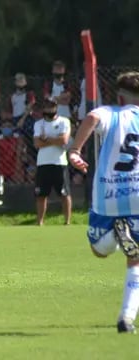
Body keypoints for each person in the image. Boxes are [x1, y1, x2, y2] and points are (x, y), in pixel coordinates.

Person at [68, 71, 139, 333]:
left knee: (99, 250)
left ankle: (118, 237)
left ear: (120, 97)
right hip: (138, 195)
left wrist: (75, 151)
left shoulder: (111, 112)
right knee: (136, 262)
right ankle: (126, 318)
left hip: (108, 195)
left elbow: (91, 117)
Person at [33, 99, 72, 226]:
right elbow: (37, 143)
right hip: (43, 163)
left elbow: (64, 140)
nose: (50, 109)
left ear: (56, 107)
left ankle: (67, 222)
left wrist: (46, 139)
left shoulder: (64, 121)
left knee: (64, 193)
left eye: (52, 106)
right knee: (41, 195)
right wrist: (54, 139)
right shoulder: (38, 124)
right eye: (47, 106)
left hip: (59, 162)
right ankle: (40, 222)